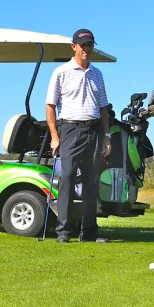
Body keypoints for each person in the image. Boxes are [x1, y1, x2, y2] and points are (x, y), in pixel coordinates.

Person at [45, 29, 112, 244]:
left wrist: (106, 135)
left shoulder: (97, 74)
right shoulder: (61, 72)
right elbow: (50, 106)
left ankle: (89, 233)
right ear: (74, 46)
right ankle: (63, 232)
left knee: (92, 181)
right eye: (83, 45)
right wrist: (55, 136)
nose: (86, 49)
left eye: (90, 45)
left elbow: (103, 107)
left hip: (93, 130)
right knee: (68, 179)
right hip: (70, 130)